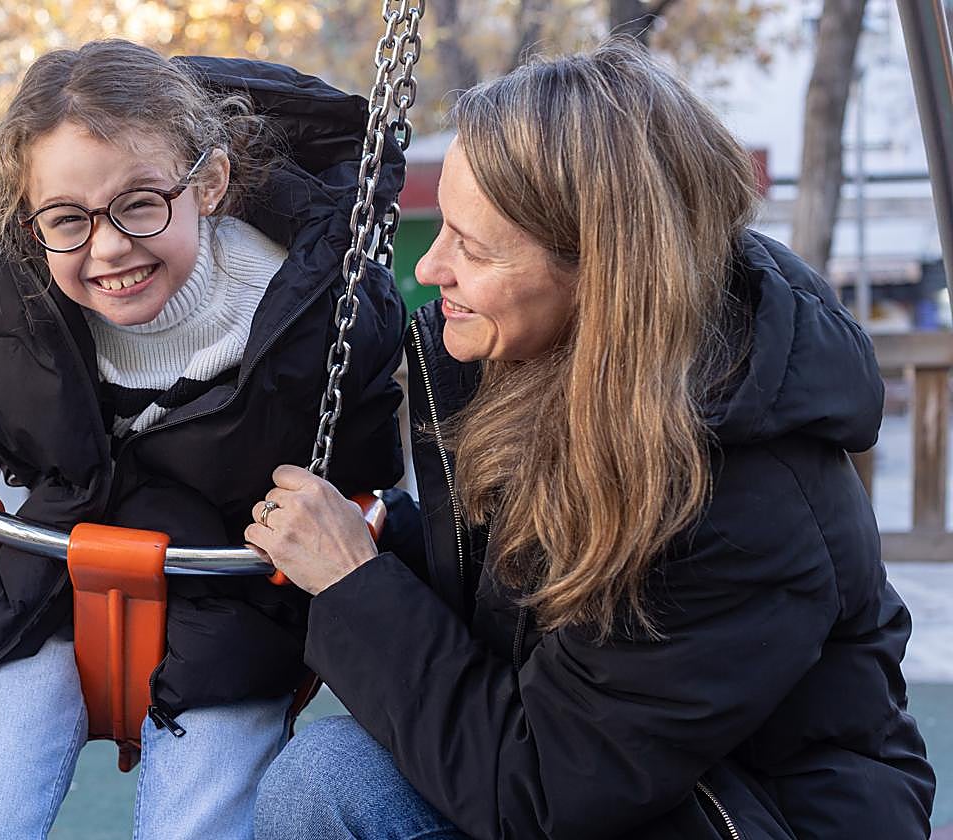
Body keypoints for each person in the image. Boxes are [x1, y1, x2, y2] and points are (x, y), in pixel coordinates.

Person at [247, 39, 936, 840]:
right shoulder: (530, 361)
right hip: (616, 775)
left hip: (745, 816)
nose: (431, 269)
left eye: (473, 248)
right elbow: (521, 613)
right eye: (444, 232)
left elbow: (542, 789)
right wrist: (381, 540)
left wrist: (354, 586)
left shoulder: (741, 498)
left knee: (327, 780)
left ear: (605, 273)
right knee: (334, 772)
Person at [0, 40, 406, 840]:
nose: (107, 249)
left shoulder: (306, 308)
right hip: (55, 572)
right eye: (67, 219)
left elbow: (366, 456)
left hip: (234, 595)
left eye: (140, 204)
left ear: (208, 183)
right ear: (29, 221)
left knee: (198, 823)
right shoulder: (7, 290)